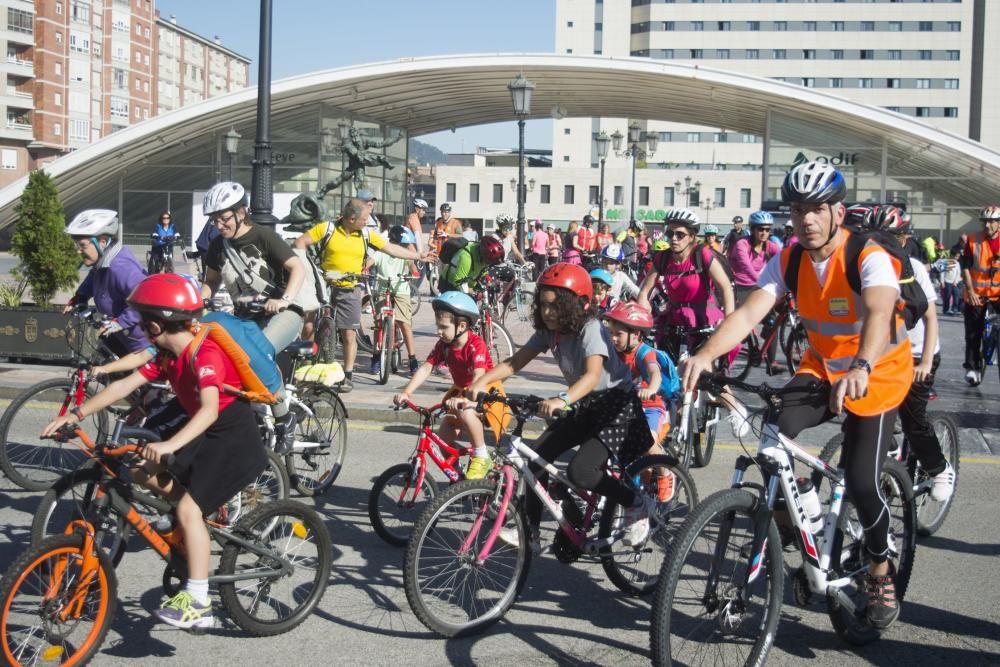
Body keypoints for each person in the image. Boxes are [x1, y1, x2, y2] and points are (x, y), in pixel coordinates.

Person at [679, 161, 913, 630]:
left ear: (837, 212)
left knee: (864, 483)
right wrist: (704, 356)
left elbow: (880, 310)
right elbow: (748, 315)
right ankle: (804, 520)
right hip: (823, 367)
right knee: (772, 438)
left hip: (878, 372)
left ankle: (880, 572)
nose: (805, 219)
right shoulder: (788, 259)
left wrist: (863, 366)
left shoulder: (866, 254)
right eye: (797, 209)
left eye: (816, 210)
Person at [43, 273, 269, 630]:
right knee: (136, 469)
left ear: (153, 323)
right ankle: (187, 531)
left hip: (232, 434)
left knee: (188, 508)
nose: (140, 328)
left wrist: (168, 444)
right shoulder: (167, 354)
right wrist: (76, 414)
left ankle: (198, 602)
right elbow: (126, 385)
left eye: (141, 321)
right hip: (204, 428)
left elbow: (210, 410)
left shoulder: (205, 353)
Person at [468, 263, 656, 552]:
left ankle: (637, 503)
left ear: (577, 305)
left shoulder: (591, 328)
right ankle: (529, 530)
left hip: (615, 404)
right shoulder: (549, 332)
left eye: (555, 306)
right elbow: (514, 363)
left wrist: (562, 400)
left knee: (581, 471)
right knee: (537, 460)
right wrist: (482, 382)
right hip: (584, 402)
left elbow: (593, 375)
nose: (547, 312)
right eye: (543, 304)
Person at [865, 205, 955, 502]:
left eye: (886, 237)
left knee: (912, 419)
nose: (876, 243)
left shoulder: (913, 268)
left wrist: (927, 362)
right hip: (885, 355)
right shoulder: (864, 265)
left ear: (902, 240)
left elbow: (930, 318)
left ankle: (939, 468)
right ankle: (887, 457)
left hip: (918, 354)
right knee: (868, 411)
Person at [293, 198, 429, 392]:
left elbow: (390, 248)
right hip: (324, 284)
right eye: (364, 218)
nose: (367, 222)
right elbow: (300, 243)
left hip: (350, 287)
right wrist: (304, 268)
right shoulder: (327, 229)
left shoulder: (366, 234)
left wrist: (417, 256)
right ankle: (304, 368)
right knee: (309, 323)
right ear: (351, 218)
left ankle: (346, 376)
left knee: (348, 333)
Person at [636, 207, 745, 435]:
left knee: (706, 373)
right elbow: (645, 292)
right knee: (667, 373)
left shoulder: (702, 255)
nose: (673, 239)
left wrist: (730, 319)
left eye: (680, 234)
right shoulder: (663, 258)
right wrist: (642, 316)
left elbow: (725, 287)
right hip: (674, 320)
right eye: (670, 233)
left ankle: (736, 410)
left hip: (704, 319)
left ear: (692, 237)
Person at [394, 292, 509, 480]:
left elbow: (479, 376)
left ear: (462, 326)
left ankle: (481, 455)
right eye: (438, 327)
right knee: (445, 429)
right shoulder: (444, 345)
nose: (438, 331)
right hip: (461, 391)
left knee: (466, 413)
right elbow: (426, 368)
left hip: (484, 391)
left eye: (443, 327)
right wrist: (407, 392)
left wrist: (465, 399)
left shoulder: (475, 344)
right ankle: (457, 474)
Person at [602, 301, 676, 503]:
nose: (613, 338)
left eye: (618, 334)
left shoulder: (644, 352)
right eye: (611, 333)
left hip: (651, 408)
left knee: (648, 441)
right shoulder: (612, 352)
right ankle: (635, 489)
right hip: (625, 406)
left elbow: (654, 372)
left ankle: (665, 474)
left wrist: (651, 388)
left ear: (636, 334)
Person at [63, 209, 153, 362]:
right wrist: (80, 297)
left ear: (102, 242)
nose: (78, 251)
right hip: (123, 340)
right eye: (76, 245)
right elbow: (94, 277)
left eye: (82, 245)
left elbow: (145, 297)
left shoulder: (120, 266)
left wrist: (119, 322)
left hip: (142, 346)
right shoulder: (103, 263)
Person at [368, 225, 420, 376]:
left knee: (405, 324)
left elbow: (411, 263)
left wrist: (414, 271)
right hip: (384, 289)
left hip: (401, 289)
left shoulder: (405, 253)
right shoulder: (381, 251)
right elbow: (371, 260)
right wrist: (365, 268)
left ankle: (412, 359)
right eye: (404, 244)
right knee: (378, 324)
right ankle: (376, 356)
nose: (406, 247)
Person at [960, 204, 1000, 386]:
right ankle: (972, 367)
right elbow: (966, 267)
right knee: (973, 333)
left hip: (998, 294)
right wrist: (971, 291)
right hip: (976, 293)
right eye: (985, 221)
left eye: (992, 221)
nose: (988, 225)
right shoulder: (972, 240)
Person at [439, 235, 506, 294]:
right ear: (483, 255)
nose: (488, 264)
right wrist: (474, 292)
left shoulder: (483, 257)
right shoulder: (466, 257)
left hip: (468, 285)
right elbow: (459, 283)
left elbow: (482, 271)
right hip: (449, 285)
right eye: (489, 262)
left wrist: (489, 281)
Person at [935, 248, 963, 315]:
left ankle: (954, 308)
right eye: (956, 256)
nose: (957, 258)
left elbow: (958, 273)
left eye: (958, 256)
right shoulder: (945, 261)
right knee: (947, 296)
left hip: (954, 283)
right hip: (947, 281)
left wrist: (956, 281)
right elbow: (942, 273)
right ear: (951, 255)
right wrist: (942, 282)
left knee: (956, 294)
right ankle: (946, 309)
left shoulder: (957, 263)